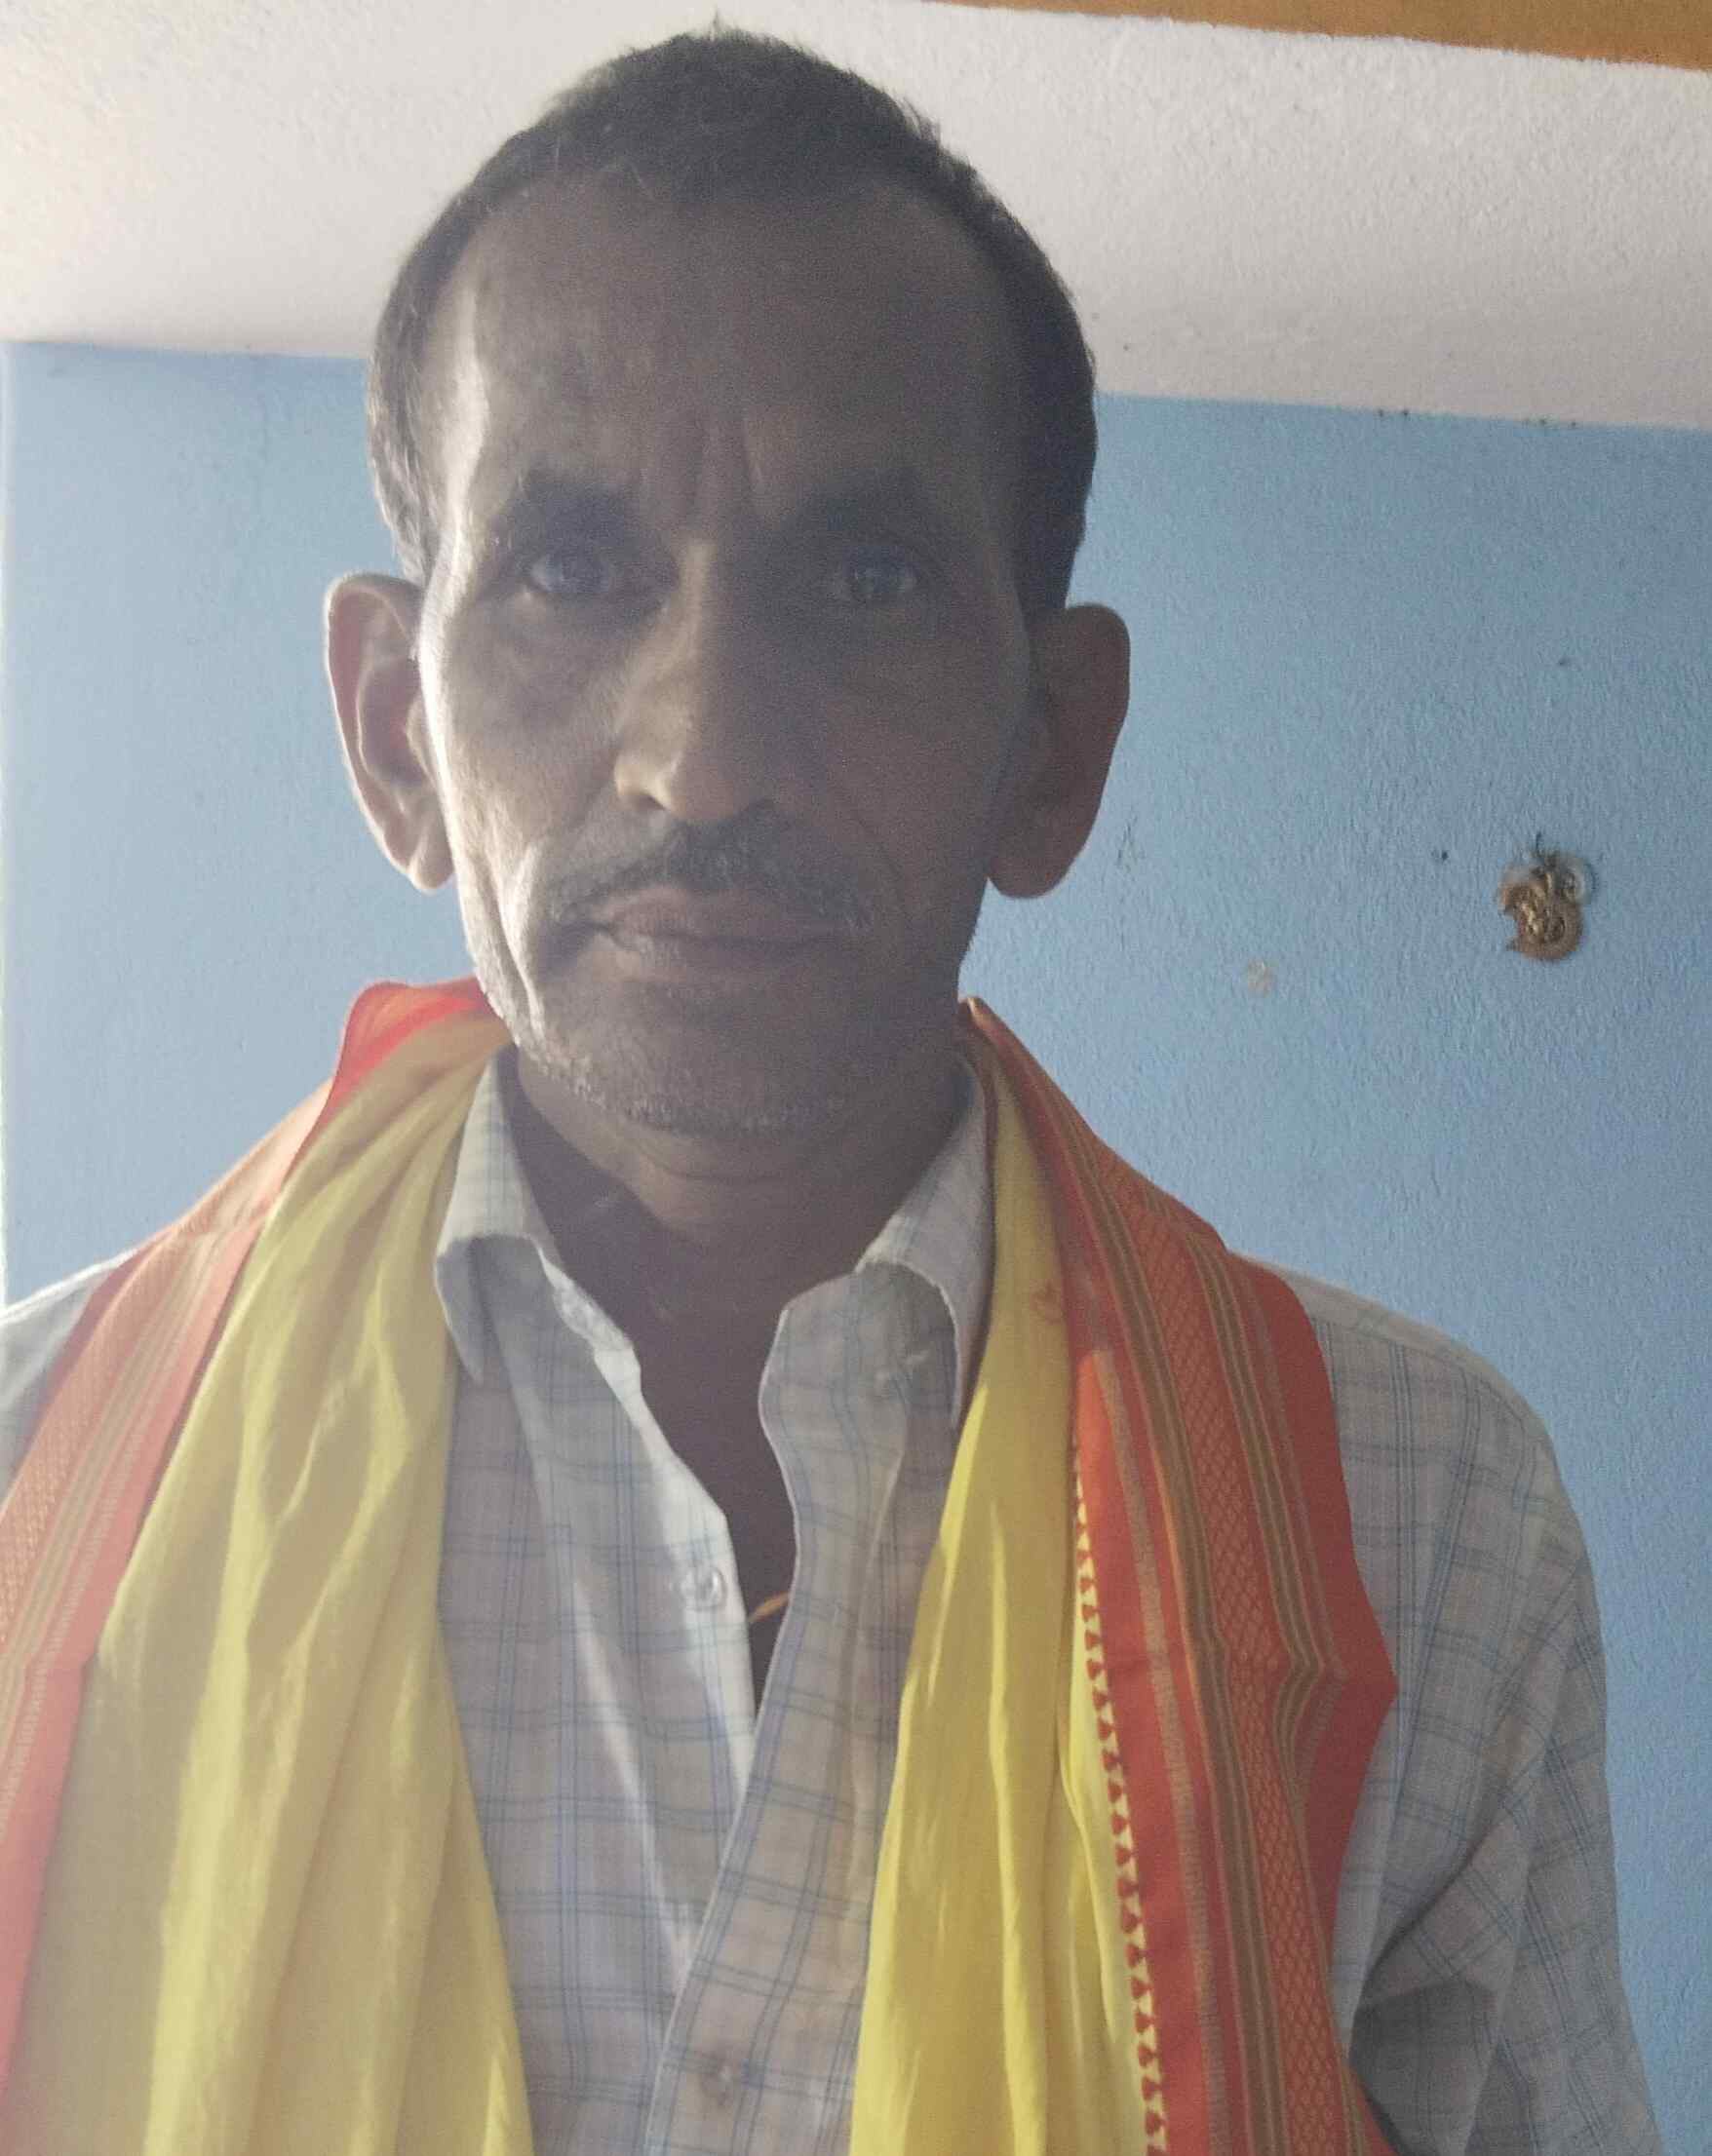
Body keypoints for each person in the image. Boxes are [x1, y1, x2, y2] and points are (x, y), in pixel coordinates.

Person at [0, 28, 1659, 2156]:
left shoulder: (1416, 1521)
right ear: (397, 732)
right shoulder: (39, 1484)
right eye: (570, 570)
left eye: (864, 579)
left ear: (1052, 745)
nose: (702, 757)